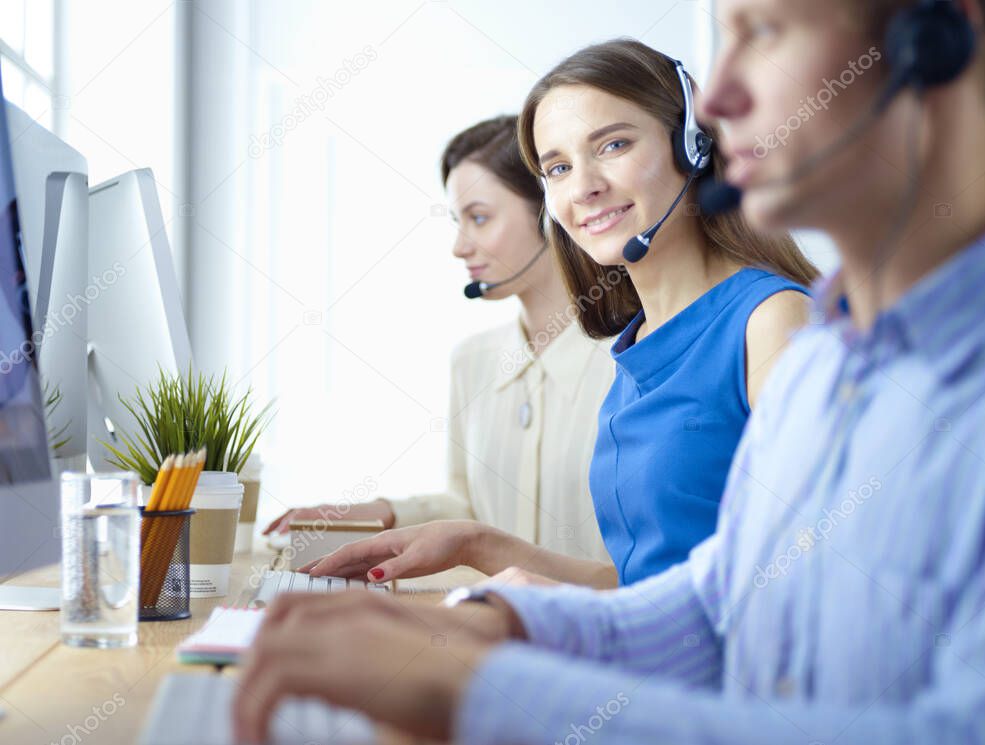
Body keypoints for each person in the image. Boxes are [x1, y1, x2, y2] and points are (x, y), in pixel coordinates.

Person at [233, 1, 985, 743]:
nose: (714, 97)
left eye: (767, 29)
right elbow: (718, 602)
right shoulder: (829, 356)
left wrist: (481, 689)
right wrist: (501, 622)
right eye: (555, 167)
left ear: (934, 36)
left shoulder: (820, 336)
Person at [302, 39, 816, 588]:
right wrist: (476, 543)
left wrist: (552, 609)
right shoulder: (639, 341)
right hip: (648, 660)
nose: (584, 187)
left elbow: (800, 583)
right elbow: (640, 585)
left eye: (613, 144)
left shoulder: (772, 323)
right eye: (559, 167)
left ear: (692, 146)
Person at [265, 115, 617, 566]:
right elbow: (468, 508)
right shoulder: (473, 361)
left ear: (551, 214)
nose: (459, 246)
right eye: (459, 220)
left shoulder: (630, 359)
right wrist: (384, 514)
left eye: (480, 218)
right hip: (487, 627)